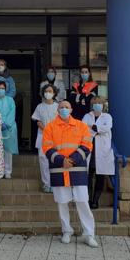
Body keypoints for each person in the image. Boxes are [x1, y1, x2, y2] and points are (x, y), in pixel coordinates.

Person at [42, 101, 98, 248]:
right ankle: (66, 230)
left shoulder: (81, 126)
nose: (64, 109)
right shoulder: (50, 127)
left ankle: (89, 233)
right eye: (61, 107)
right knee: (62, 202)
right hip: (59, 170)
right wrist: (62, 161)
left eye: (67, 107)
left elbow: (87, 145)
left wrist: (72, 160)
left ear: (71, 109)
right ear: (57, 110)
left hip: (77, 169)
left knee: (82, 201)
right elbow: (47, 147)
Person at [82, 96, 114, 209]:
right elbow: (83, 128)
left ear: (103, 105)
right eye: (95, 103)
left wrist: (94, 127)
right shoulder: (87, 116)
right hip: (90, 147)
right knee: (89, 175)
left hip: (102, 149)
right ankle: (89, 199)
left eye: (100, 103)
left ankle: (95, 201)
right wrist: (97, 129)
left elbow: (108, 127)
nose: (97, 105)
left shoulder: (107, 116)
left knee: (100, 176)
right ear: (92, 105)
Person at [31, 84, 59, 193]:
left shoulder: (58, 106)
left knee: (55, 160)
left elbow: (61, 121)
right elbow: (37, 120)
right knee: (43, 160)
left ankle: (54, 183)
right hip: (42, 135)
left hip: (56, 136)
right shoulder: (40, 106)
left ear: (54, 93)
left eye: (50, 91)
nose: (48, 93)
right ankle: (46, 184)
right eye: (46, 91)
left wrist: (52, 130)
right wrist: (46, 129)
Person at [0, 80, 18, 179]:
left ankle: (8, 172)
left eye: (2, 88)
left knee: (8, 151)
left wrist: (6, 123)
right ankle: (0, 171)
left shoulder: (10, 100)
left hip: (9, 128)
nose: (1, 90)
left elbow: (12, 112)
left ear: (5, 90)